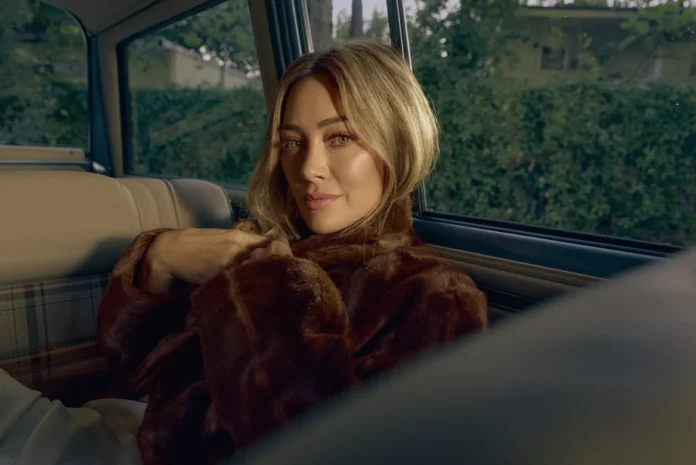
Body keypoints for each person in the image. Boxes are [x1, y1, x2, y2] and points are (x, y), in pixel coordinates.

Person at [0, 42, 487, 465]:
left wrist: (271, 289)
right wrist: (160, 261)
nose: (308, 168)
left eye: (340, 138)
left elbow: (318, 449)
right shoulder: (268, 251)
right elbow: (139, 374)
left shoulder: (432, 295)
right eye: (292, 142)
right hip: (126, 432)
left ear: (398, 143)